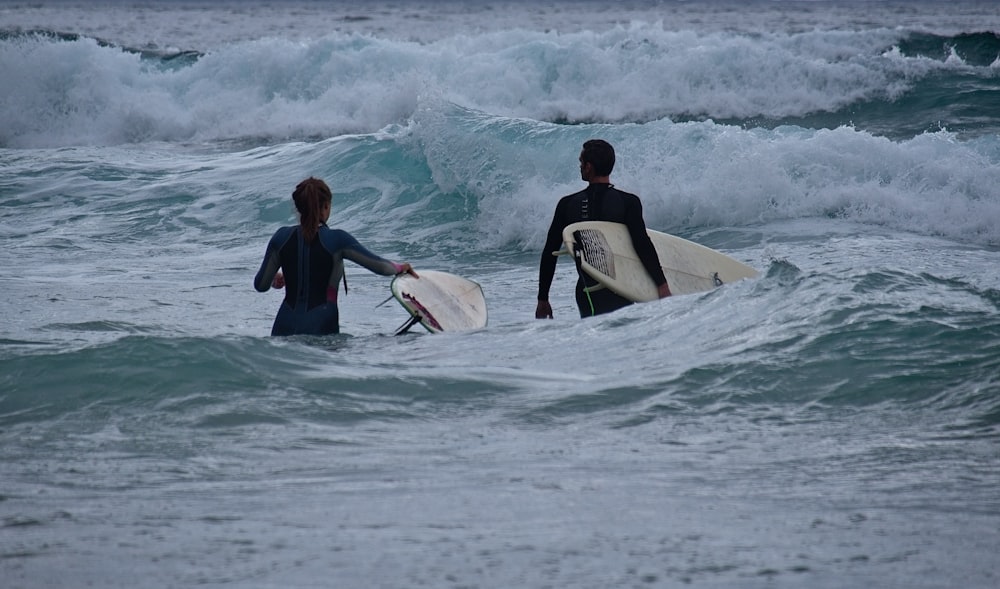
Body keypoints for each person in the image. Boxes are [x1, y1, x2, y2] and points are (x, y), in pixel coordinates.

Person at [254, 177, 417, 336]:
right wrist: (401, 267)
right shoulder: (337, 239)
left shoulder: (280, 237)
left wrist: (275, 279)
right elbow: (381, 267)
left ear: (299, 208)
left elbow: (261, 285)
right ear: (326, 206)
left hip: (283, 327)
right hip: (320, 327)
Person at [535, 139, 670, 319]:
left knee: (595, 341)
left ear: (589, 167)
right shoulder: (628, 202)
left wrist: (543, 298)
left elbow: (550, 252)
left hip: (588, 290)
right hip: (624, 289)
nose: (580, 167)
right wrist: (661, 284)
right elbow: (642, 245)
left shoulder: (567, 204)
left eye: (581, 163)